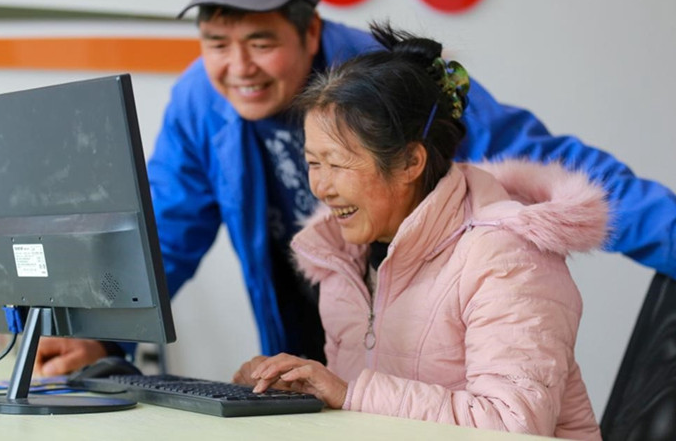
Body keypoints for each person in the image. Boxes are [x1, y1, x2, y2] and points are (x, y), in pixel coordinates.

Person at [34, 0, 676, 376]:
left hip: (421, 354)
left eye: (261, 41)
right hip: (305, 342)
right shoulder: (200, 102)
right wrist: (100, 333)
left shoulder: (390, 82)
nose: (238, 68)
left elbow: (549, 165)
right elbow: (166, 234)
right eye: (216, 43)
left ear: (310, 31)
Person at [233, 23, 603, 439]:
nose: (320, 186)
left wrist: (346, 392)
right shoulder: (341, 256)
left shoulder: (507, 256)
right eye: (313, 163)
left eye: (337, 164)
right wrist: (293, 391)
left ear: (411, 161)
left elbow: (511, 425)